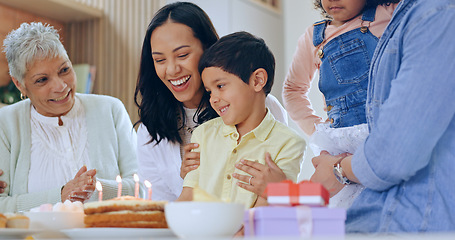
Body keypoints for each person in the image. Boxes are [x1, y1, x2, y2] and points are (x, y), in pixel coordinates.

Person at [310, 0, 455, 232]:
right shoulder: (405, 17)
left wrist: (338, 170)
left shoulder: (434, 13)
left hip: (409, 221)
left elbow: (393, 154)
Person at [134, 2, 290, 201]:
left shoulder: (261, 106)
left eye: (182, 55)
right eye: (160, 60)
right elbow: (161, 208)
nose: (172, 70)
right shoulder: (150, 130)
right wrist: (187, 180)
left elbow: (279, 186)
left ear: (207, 48)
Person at [0, 22, 137, 212]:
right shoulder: (5, 124)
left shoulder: (111, 110)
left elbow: (144, 188)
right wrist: (61, 195)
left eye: (64, 70)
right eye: (42, 80)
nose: (61, 86)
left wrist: (96, 188)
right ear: (20, 85)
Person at [282, 0, 398, 208]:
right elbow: (293, 90)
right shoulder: (314, 37)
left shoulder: (387, 14)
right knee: (347, 213)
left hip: (383, 135)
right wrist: (317, 129)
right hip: (342, 147)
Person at [178, 31, 305, 209]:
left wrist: (277, 191)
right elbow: (187, 197)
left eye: (220, 86)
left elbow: (265, 211)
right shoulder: (202, 135)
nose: (213, 99)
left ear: (257, 80)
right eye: (209, 91)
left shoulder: (289, 144)